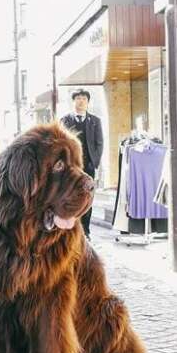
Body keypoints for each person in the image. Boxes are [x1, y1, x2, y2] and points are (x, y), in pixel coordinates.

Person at [61, 88, 104, 240]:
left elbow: (99, 143)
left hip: (89, 165)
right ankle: (72, 229)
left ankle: (86, 230)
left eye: (84, 99)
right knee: (71, 196)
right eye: (78, 98)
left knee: (88, 197)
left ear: (88, 102)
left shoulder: (95, 121)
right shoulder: (65, 120)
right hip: (72, 167)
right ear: (73, 101)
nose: (81, 101)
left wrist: (95, 162)